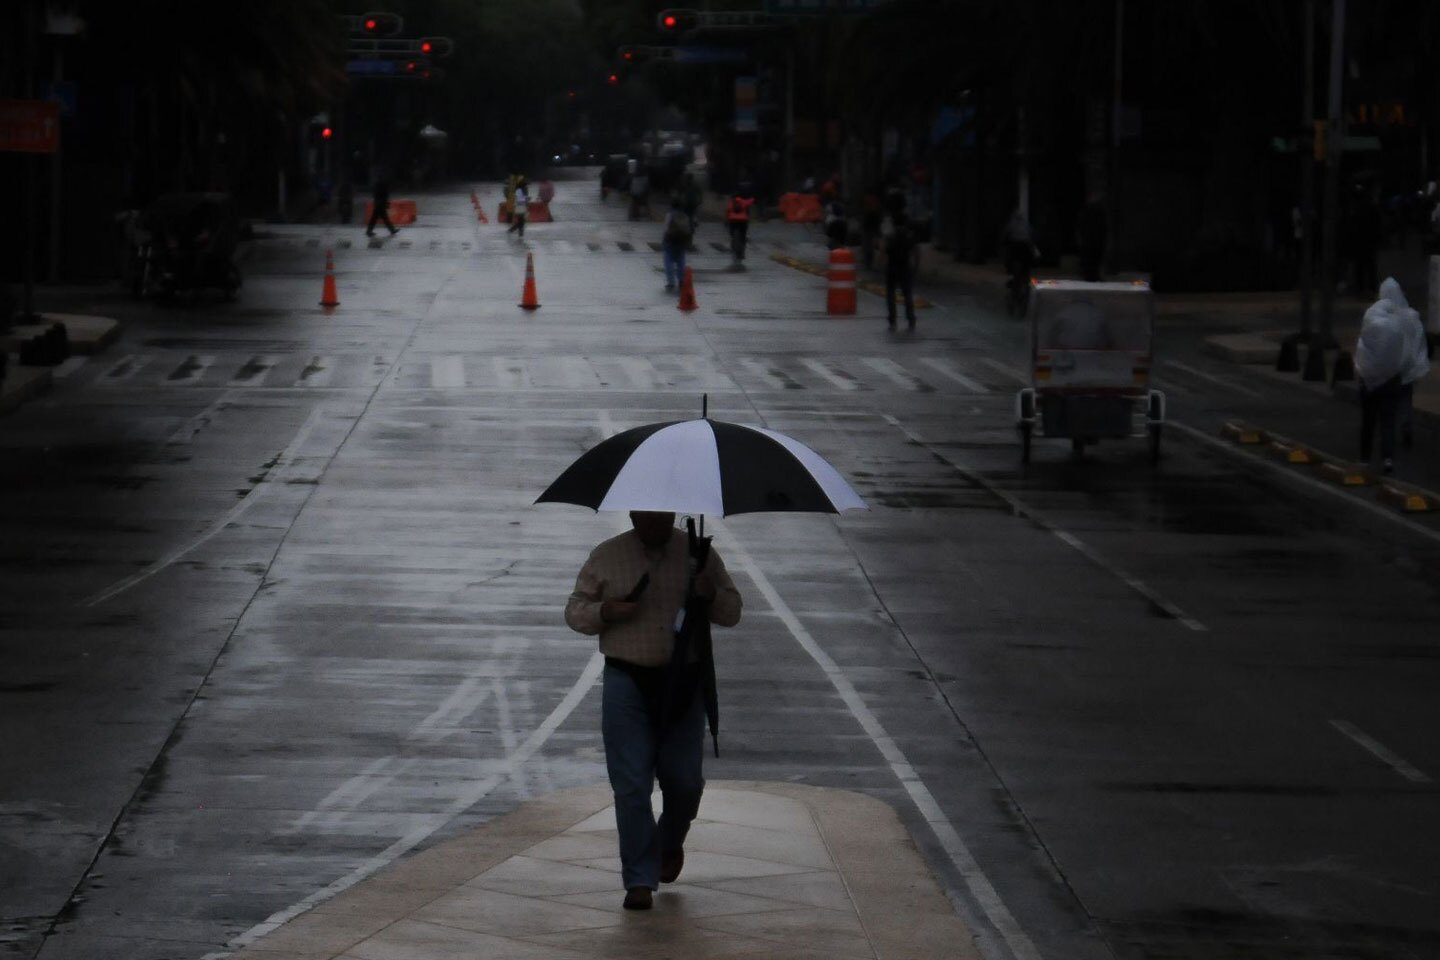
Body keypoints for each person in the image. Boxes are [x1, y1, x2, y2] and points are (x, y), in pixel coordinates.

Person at [565, 511, 743, 911]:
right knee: (631, 783)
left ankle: (669, 843)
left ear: (673, 514)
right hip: (627, 680)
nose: (655, 521)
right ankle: (639, 880)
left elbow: (732, 611)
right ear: (633, 514)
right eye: (646, 514)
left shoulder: (698, 555)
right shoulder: (607, 556)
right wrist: (605, 612)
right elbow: (575, 611)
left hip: (683, 682)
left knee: (685, 782)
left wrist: (710, 592)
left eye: (662, 515)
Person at [1354, 277, 1428, 473]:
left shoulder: (1372, 315)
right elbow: (1411, 345)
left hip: (1370, 379)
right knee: (1389, 420)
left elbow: (1364, 343)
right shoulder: (1406, 317)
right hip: (1395, 377)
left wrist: (1363, 369)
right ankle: (1388, 458)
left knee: (1369, 420)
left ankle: (1364, 458)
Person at [883, 210, 918, 329]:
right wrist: (915, 267)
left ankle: (892, 319)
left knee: (891, 294)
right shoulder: (909, 235)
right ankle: (911, 318)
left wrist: (881, 264)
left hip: (892, 267)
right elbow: (915, 252)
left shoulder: (891, 235)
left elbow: (885, 251)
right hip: (904, 267)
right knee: (907, 293)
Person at [662, 197, 693, 291]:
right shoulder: (685, 215)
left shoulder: (669, 215)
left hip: (670, 240)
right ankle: (681, 280)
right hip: (682, 240)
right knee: (681, 261)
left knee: (668, 261)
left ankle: (671, 282)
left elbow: (666, 228)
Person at [1077, 194, 1107, 282]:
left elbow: (1104, 226)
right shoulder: (1087, 212)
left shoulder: (1100, 212)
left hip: (1097, 238)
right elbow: (1081, 226)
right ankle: (1089, 275)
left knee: (1097, 257)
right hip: (1089, 238)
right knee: (1090, 258)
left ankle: (1095, 275)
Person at [725, 191, 754, 267]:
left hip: (732, 221)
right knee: (743, 237)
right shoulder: (744, 202)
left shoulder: (731, 203)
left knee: (732, 236)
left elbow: (727, 212)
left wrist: (726, 221)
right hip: (743, 221)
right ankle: (742, 253)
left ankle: (733, 248)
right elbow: (752, 201)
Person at [365, 172, 398, 238]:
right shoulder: (383, 185)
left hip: (378, 204)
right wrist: (386, 203)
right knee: (383, 218)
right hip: (381, 204)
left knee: (375, 218)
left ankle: (369, 231)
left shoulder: (377, 185)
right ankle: (392, 230)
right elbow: (385, 195)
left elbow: (376, 195)